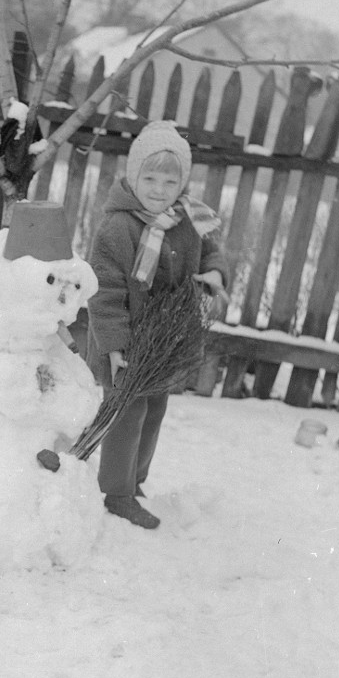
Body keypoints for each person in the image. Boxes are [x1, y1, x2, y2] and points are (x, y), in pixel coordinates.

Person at [85, 120, 229, 529]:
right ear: (133, 176)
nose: (159, 189)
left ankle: (136, 479)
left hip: (164, 342)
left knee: (154, 410)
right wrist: (114, 347)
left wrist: (214, 274)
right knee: (127, 412)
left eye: (170, 180)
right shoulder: (119, 226)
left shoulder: (186, 218)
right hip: (125, 341)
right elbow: (105, 290)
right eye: (149, 178)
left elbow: (211, 251)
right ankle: (116, 491)